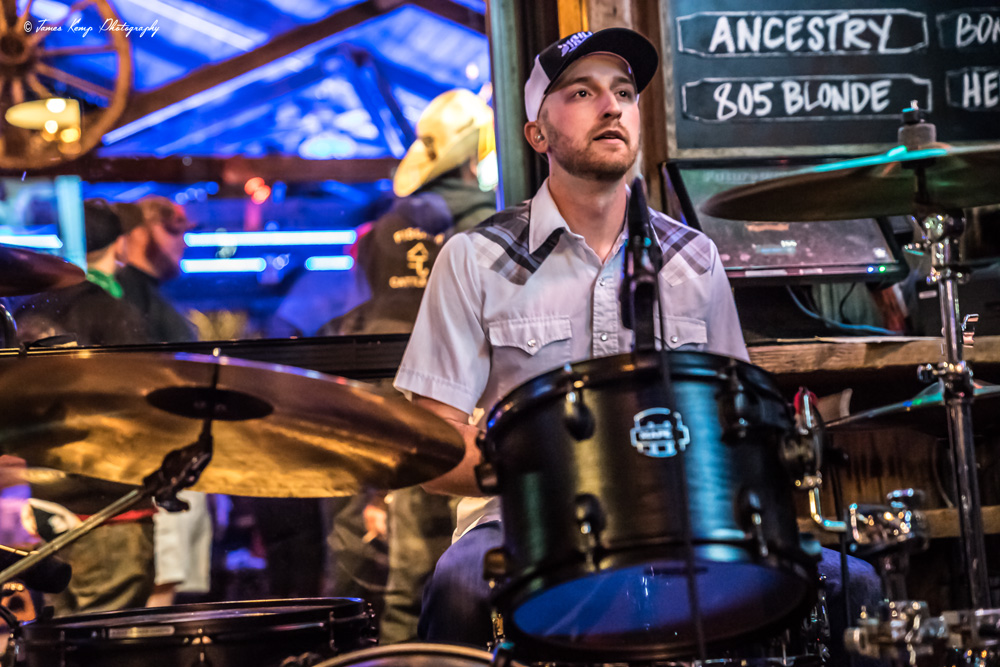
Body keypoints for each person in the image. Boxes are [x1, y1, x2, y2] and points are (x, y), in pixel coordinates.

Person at [393, 27, 883, 662]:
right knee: (458, 586)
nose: (612, 106)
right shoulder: (475, 259)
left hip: (690, 524)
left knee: (857, 586)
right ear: (537, 134)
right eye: (581, 92)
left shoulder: (694, 259)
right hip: (524, 528)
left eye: (624, 92)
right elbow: (432, 446)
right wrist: (551, 477)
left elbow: (734, 428)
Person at [320, 88, 497, 644]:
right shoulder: (488, 224)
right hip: (458, 402)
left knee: (409, 574)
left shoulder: (380, 231)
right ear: (476, 156)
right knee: (468, 568)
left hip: (388, 405)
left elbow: (368, 313)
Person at [14, 200, 157, 615]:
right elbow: (149, 410)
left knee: (55, 638)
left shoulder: (23, 314)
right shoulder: (118, 316)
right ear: (122, 245)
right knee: (104, 642)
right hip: (107, 508)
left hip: (41, 504)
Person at [115, 197, 196, 343]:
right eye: (173, 229)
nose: (183, 242)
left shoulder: (151, 294)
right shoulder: (128, 296)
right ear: (139, 232)